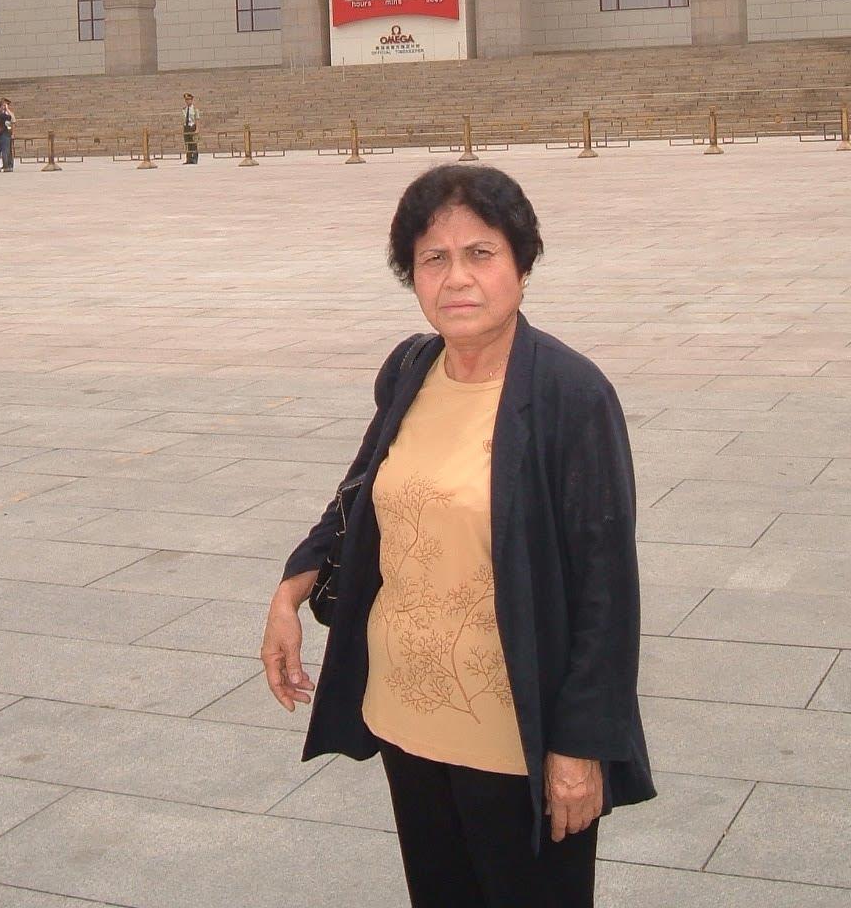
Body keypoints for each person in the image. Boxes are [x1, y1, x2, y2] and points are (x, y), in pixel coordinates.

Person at [261, 164, 654, 908]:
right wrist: (292, 588)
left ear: (522, 266)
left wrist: (580, 745)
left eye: (481, 253)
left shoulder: (571, 396)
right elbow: (357, 496)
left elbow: (608, 590)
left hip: (518, 737)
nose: (457, 278)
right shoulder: (412, 368)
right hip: (407, 715)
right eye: (432, 259)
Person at [181, 93, 199, 164]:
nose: (187, 101)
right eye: (186, 100)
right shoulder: (184, 109)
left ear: (192, 100)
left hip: (192, 127)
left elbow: (197, 119)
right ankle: (188, 159)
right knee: (187, 143)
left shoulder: (195, 109)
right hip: (186, 127)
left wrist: (197, 129)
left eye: (189, 99)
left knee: (193, 143)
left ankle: (194, 159)